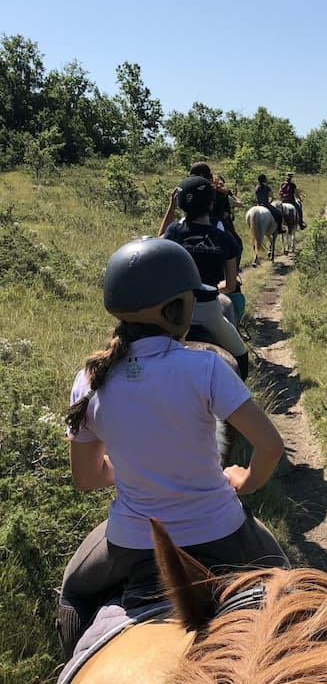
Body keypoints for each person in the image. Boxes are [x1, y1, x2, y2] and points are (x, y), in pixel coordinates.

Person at [57, 236, 287, 660]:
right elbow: (270, 445)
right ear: (174, 311)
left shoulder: (91, 377)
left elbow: (87, 478)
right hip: (222, 532)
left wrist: (128, 471)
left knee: (73, 593)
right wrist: (247, 479)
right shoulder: (205, 367)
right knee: (290, 587)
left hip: (130, 543)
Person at [158, 176, 248, 377]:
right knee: (241, 357)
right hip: (209, 309)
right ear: (211, 203)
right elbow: (231, 285)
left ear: (182, 205)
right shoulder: (225, 239)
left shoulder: (174, 232)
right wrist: (214, 287)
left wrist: (170, 208)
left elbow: (157, 245)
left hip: (175, 310)